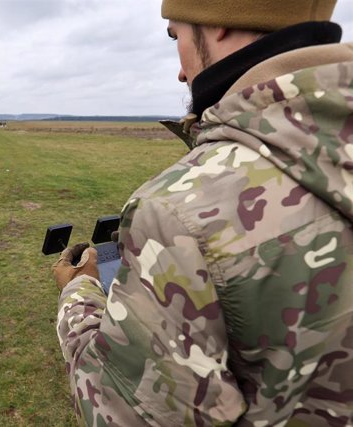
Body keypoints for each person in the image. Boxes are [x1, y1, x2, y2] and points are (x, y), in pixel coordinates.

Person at [52, 0, 353, 425]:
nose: (179, 71)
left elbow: (124, 410)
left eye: (176, 36)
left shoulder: (179, 209)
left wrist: (77, 293)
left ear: (220, 21)